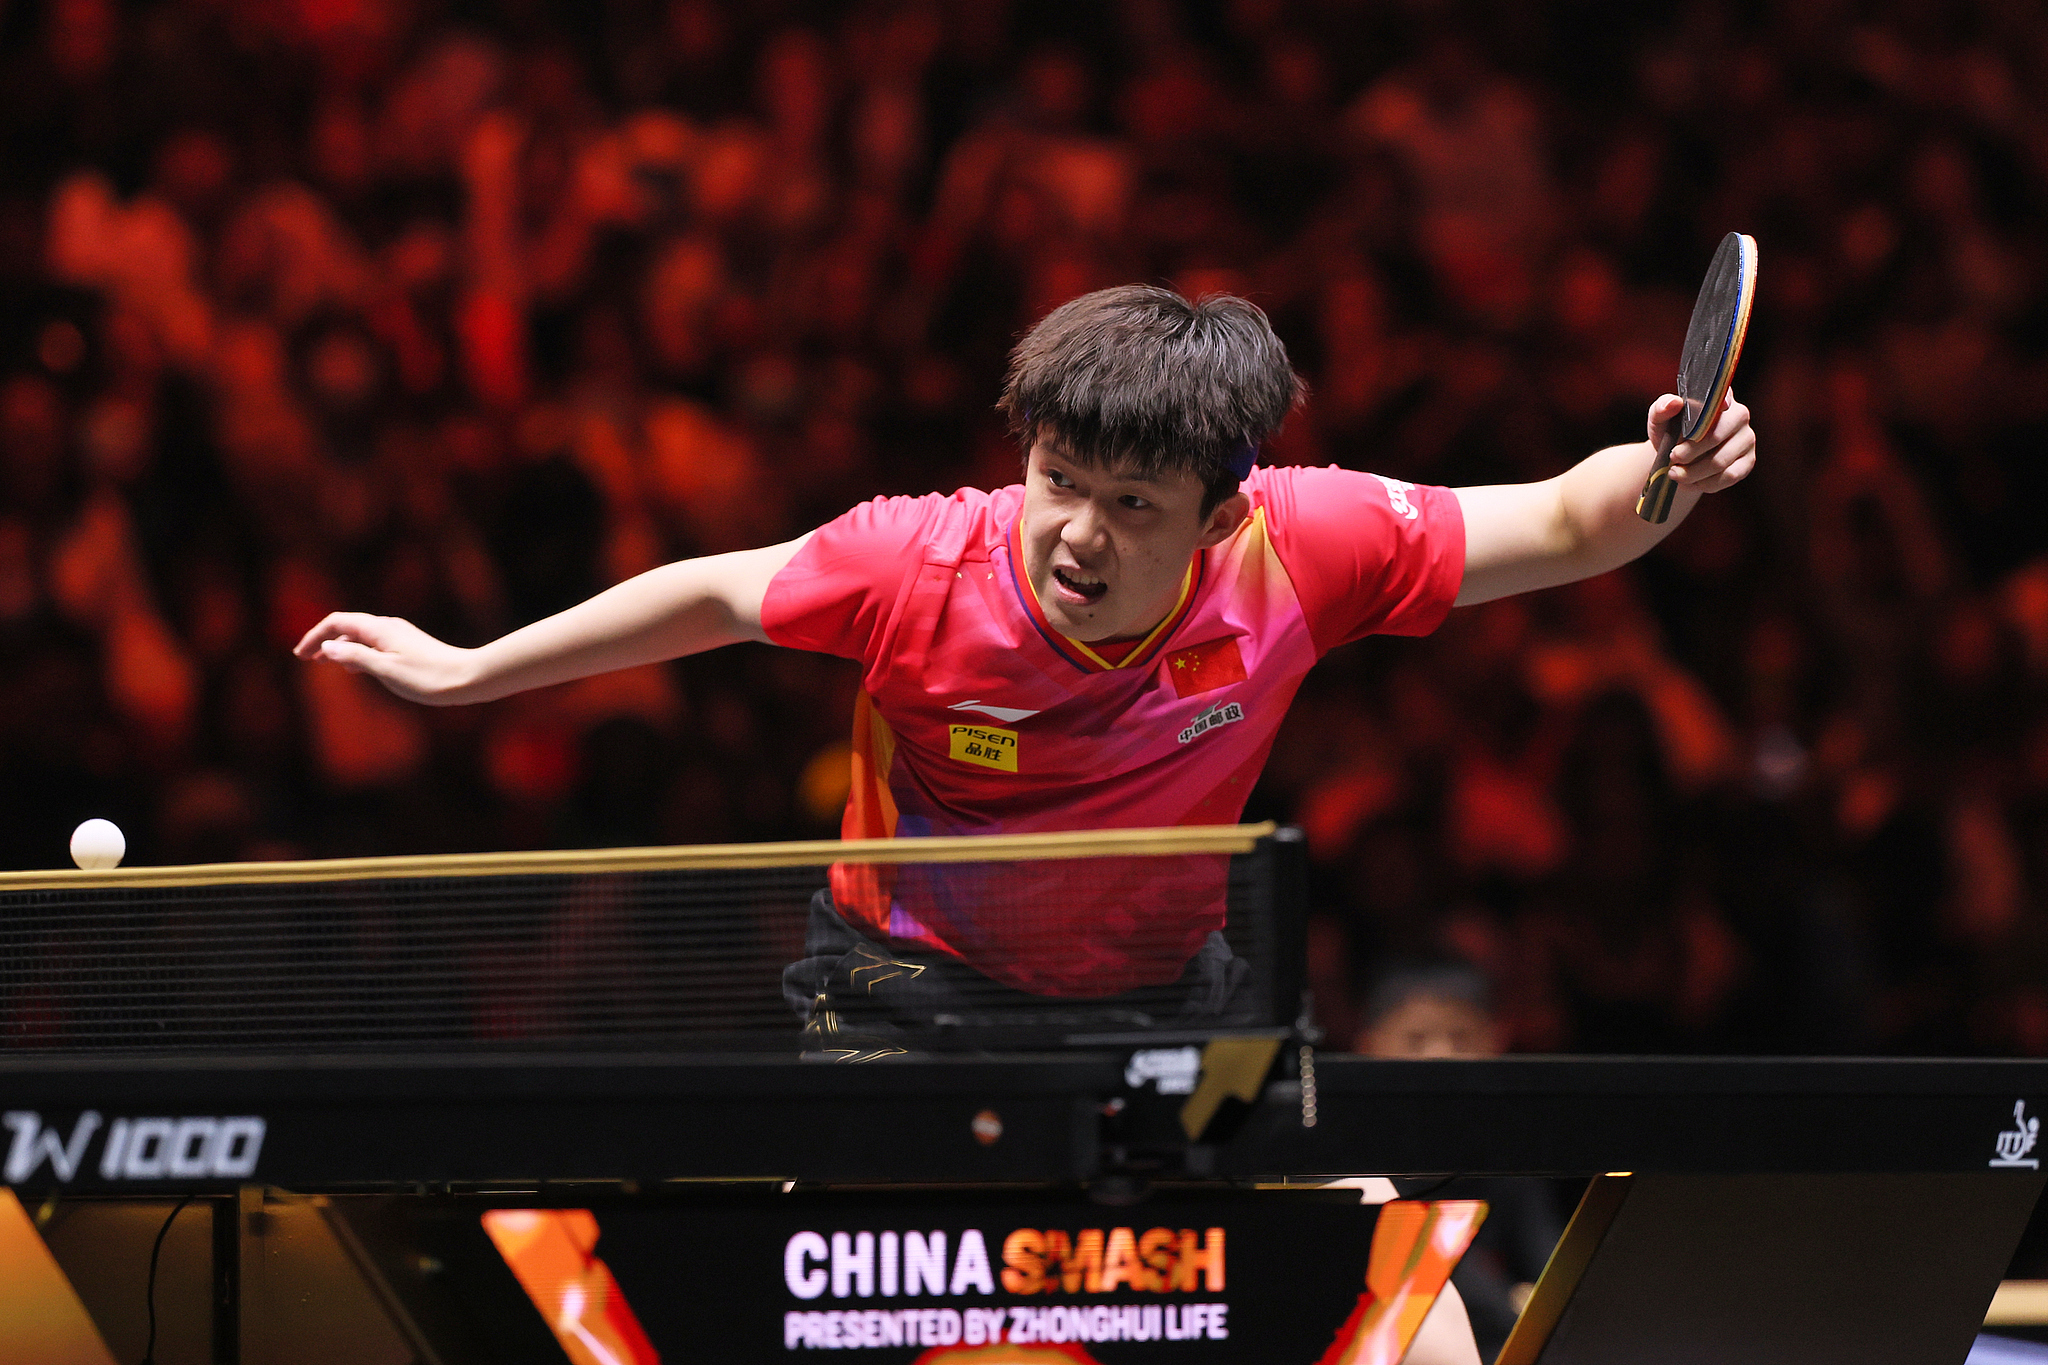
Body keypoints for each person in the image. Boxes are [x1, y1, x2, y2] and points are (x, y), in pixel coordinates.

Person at [296, 283, 1754, 1365]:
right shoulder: (918, 563)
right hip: (907, 1013)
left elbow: (1568, 520)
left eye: (1132, 502)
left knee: (1406, 1317)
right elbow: (718, 591)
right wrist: (476, 668)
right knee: (838, 1319)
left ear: (1219, 512)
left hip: (1169, 1014)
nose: (1077, 532)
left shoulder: (1305, 547)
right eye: (1058, 478)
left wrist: (1665, 475)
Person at [1353, 958, 1568, 1363]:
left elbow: (1552, 1274)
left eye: (1460, 1037)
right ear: (1369, 1045)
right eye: (1415, 1040)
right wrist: (1507, 1300)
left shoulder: (1513, 1154)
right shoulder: (1346, 1158)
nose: (1440, 1056)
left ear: (1496, 1040)